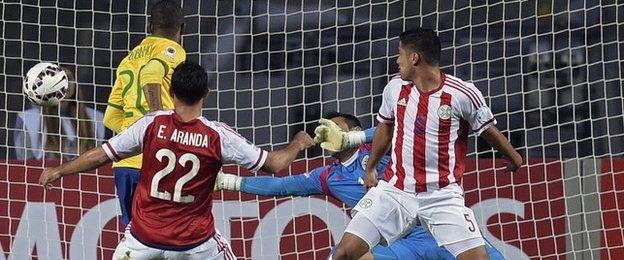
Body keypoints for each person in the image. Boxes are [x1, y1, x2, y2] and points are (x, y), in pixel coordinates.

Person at [39, 61, 316, 259]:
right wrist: (297, 144)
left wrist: (60, 171)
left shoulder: (150, 124)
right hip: (194, 245)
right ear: (207, 94)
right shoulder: (218, 136)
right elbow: (274, 164)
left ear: (170, 92)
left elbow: (102, 154)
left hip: (142, 242)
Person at [331, 28, 523, 260]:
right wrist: (371, 167)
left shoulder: (462, 93)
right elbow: (385, 127)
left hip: (442, 195)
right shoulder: (394, 88)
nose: (396, 60)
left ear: (415, 58)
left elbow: (488, 131)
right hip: (396, 190)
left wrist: (513, 156)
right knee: (343, 253)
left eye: (400, 53)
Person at [216, 112, 505, 260]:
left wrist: (352, 140)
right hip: (399, 245)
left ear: (354, 132)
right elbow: (280, 186)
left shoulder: (380, 149)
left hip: (438, 229)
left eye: (334, 125)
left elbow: (397, 127)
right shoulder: (327, 176)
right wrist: (228, 181)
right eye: (323, 128)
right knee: (340, 255)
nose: (325, 131)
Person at [103, 0, 187, 226]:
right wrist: (156, 125)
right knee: (167, 234)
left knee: (135, 237)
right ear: (182, 28)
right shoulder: (172, 50)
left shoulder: (128, 60)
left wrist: (134, 138)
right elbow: (151, 74)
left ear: (149, 26)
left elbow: (110, 118)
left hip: (125, 163)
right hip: (159, 160)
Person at [14, 65, 104, 160]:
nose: (65, 84)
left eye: (68, 78)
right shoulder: (29, 119)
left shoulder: (96, 117)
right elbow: (25, 162)